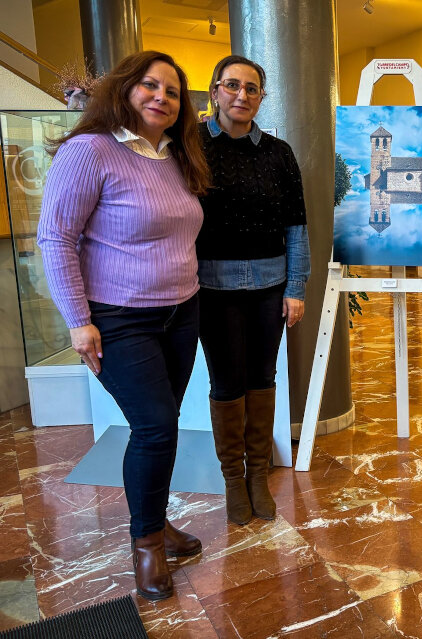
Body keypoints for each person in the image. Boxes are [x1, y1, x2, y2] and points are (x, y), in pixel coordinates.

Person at [37, 51, 210, 600]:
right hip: (118, 318)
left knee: (164, 425)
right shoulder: (90, 151)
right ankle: (146, 546)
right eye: (149, 85)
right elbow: (56, 237)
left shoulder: (176, 155)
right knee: (155, 427)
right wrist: (78, 321)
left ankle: (157, 523)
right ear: (124, 89)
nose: (162, 96)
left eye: (173, 91)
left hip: (183, 310)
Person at [197, 55, 310, 525]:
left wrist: (297, 287)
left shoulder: (279, 152)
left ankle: (257, 475)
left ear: (262, 97)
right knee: (226, 382)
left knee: (263, 377)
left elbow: (296, 225)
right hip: (211, 286)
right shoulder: (190, 146)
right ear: (215, 91)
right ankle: (232, 479)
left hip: (270, 285)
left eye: (252, 88)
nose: (241, 95)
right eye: (232, 86)